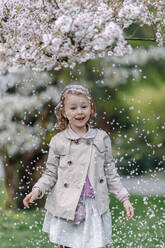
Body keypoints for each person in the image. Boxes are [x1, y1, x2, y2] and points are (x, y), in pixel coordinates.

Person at [23, 84, 134, 248]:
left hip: (94, 205)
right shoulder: (59, 141)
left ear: (91, 108)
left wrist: (124, 198)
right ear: (64, 112)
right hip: (68, 203)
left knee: (92, 244)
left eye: (84, 106)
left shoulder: (101, 138)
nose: (79, 112)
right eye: (73, 108)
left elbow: (110, 173)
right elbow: (51, 173)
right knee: (67, 244)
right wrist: (38, 189)